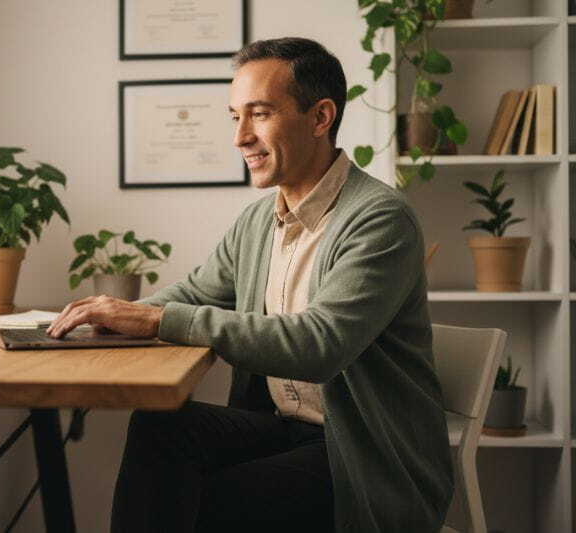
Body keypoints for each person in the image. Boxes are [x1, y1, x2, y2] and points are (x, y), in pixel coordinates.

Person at [46, 37, 454, 532]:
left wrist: (156, 317)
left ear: (320, 117)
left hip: (363, 453)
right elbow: (194, 294)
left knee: (215, 500)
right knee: (162, 426)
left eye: (258, 114)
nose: (240, 137)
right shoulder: (260, 221)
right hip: (286, 429)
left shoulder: (379, 219)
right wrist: (104, 317)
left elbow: (318, 345)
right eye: (234, 116)